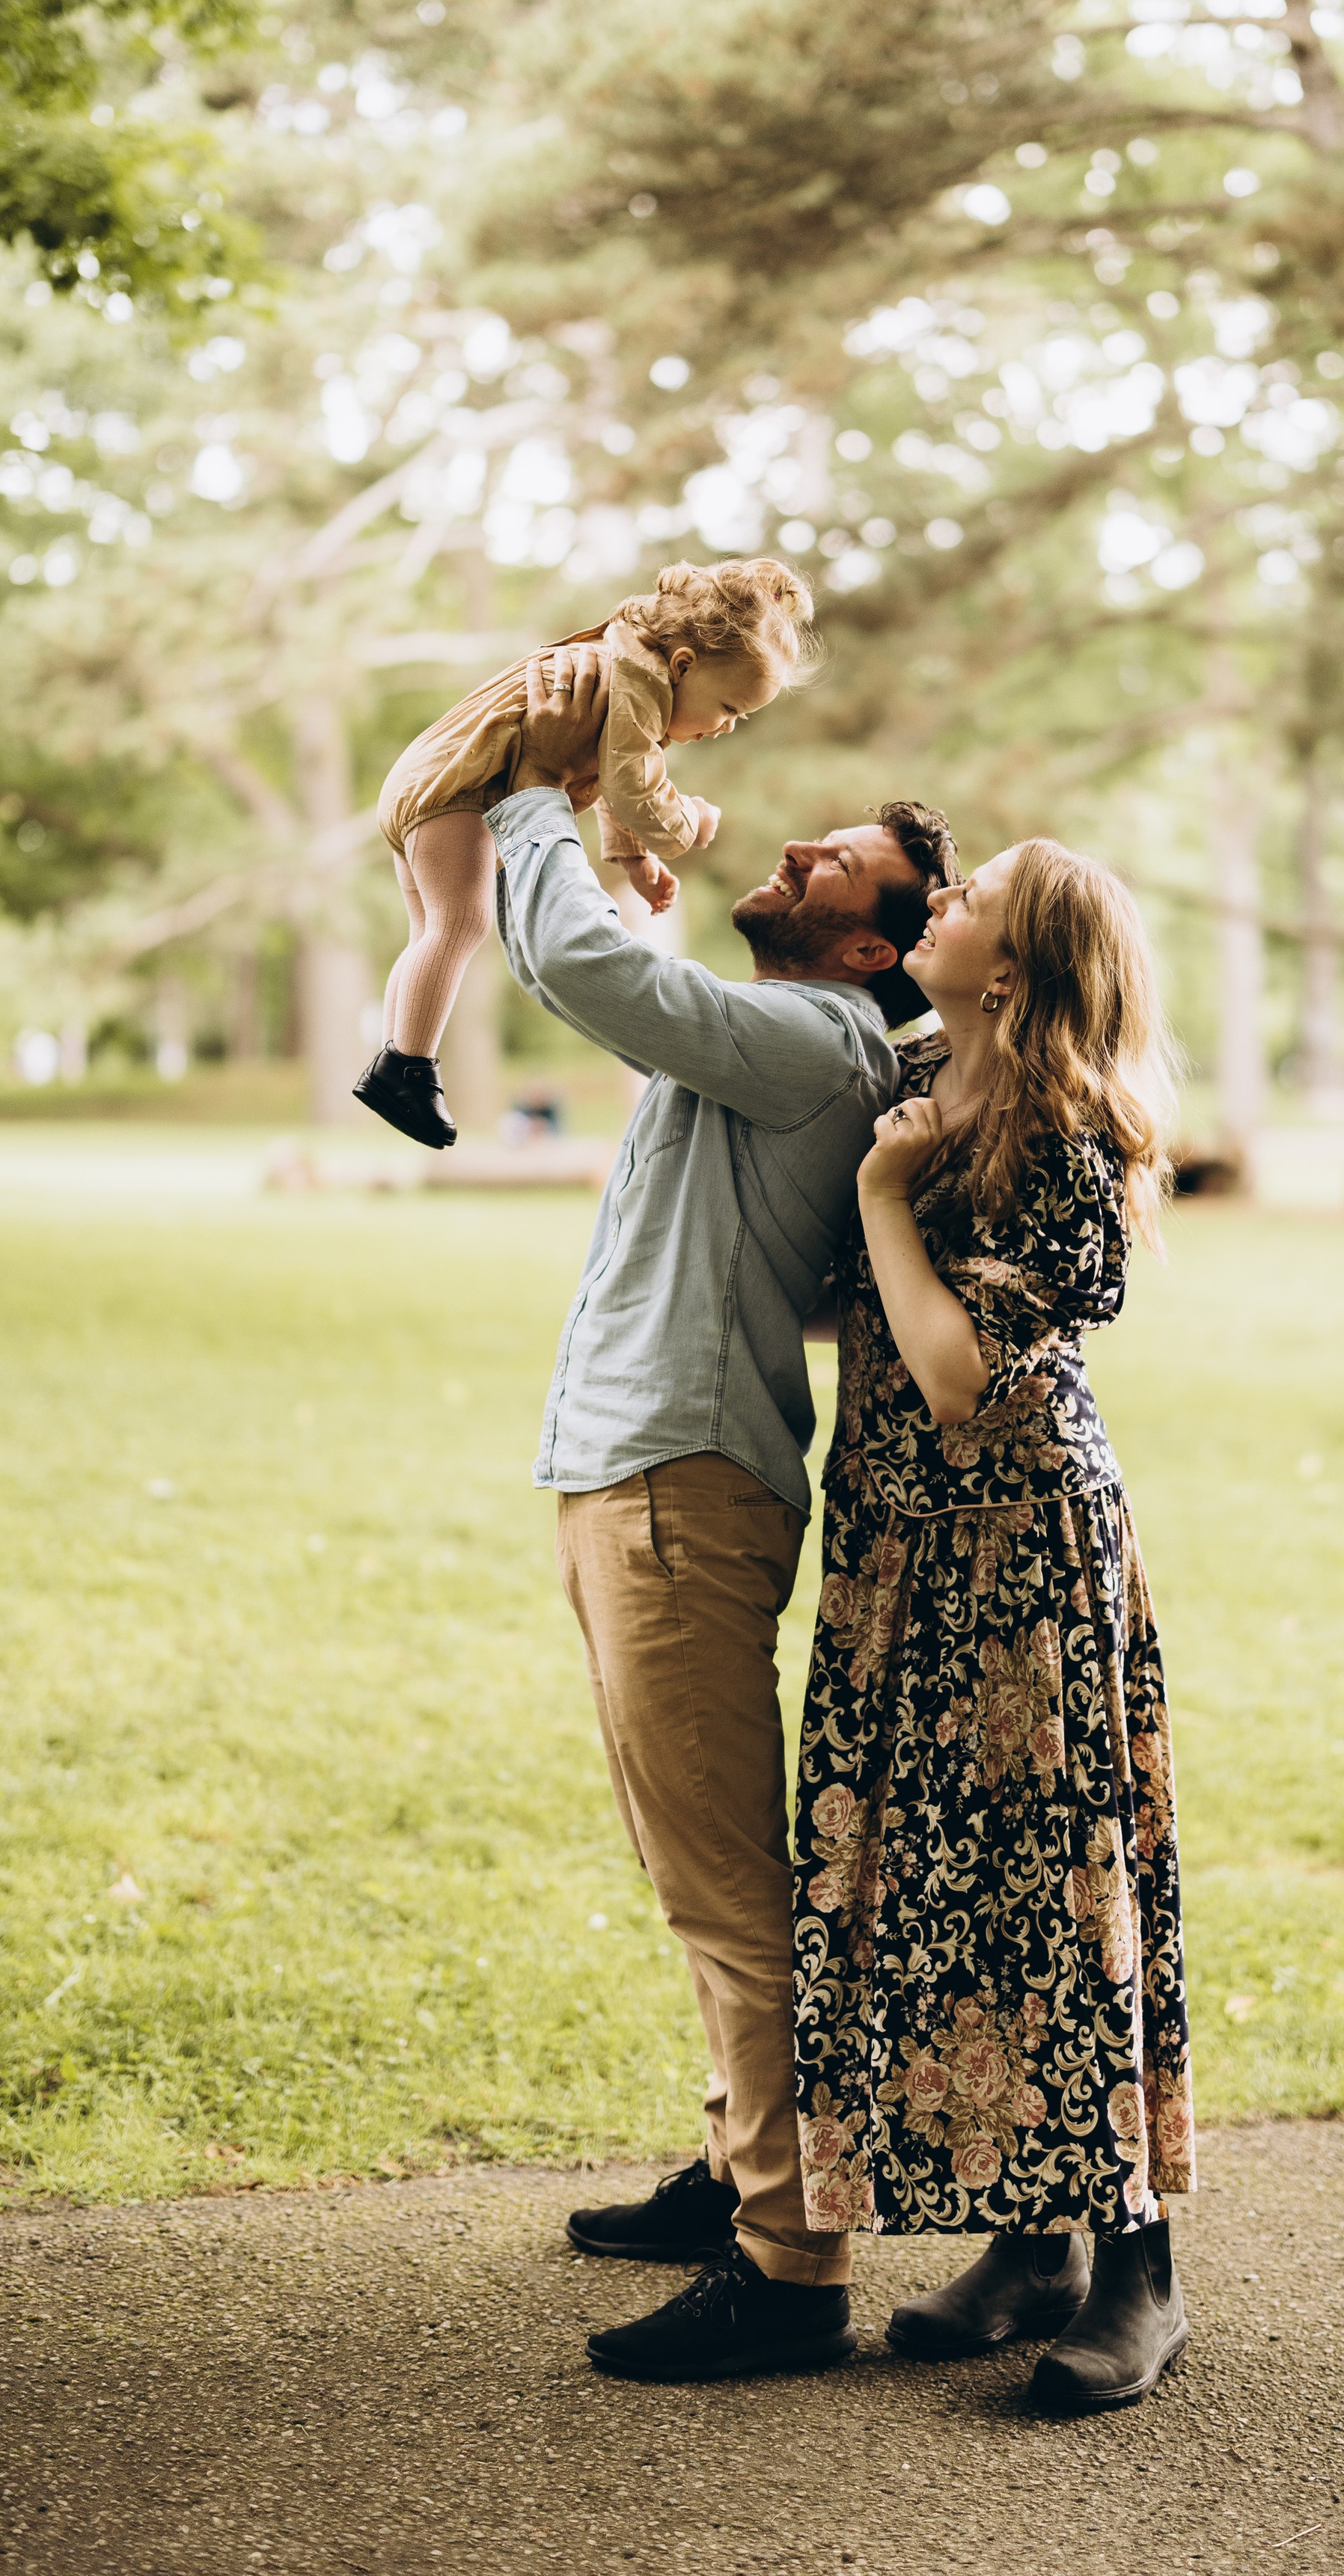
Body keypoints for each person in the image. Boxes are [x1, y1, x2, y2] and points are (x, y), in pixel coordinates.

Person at [481, 643, 957, 2383]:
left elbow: (564, 964)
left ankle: (790, 2256)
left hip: (676, 1488)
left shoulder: (819, 1042)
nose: (794, 857)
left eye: (828, 864)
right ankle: (741, 2162)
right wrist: (639, 894)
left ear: (870, 945)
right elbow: (647, 992)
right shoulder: (794, 1036)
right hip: (640, 1472)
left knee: (721, 1888)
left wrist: (536, 795)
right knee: (690, 1866)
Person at [792, 838, 1195, 2414]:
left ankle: (1138, 2266)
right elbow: (857, 1316)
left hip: (1021, 1552)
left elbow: (962, 1382)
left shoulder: (1067, 1133)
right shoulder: (909, 1075)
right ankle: (1029, 2243)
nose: (933, 905)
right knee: (954, 1890)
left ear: (1012, 968)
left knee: (1059, 1885)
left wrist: (883, 1194)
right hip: (899, 1546)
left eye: (965, 902)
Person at [356, 557, 814, 1150]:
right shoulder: (635, 686)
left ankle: (397, 1056)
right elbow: (632, 786)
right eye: (730, 708)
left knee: (429, 932)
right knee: (460, 923)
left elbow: (603, 771)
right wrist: (687, 825)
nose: (728, 727)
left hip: (426, 780)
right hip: (457, 790)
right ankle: (407, 1069)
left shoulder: (625, 666)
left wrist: (633, 860)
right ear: (684, 664)